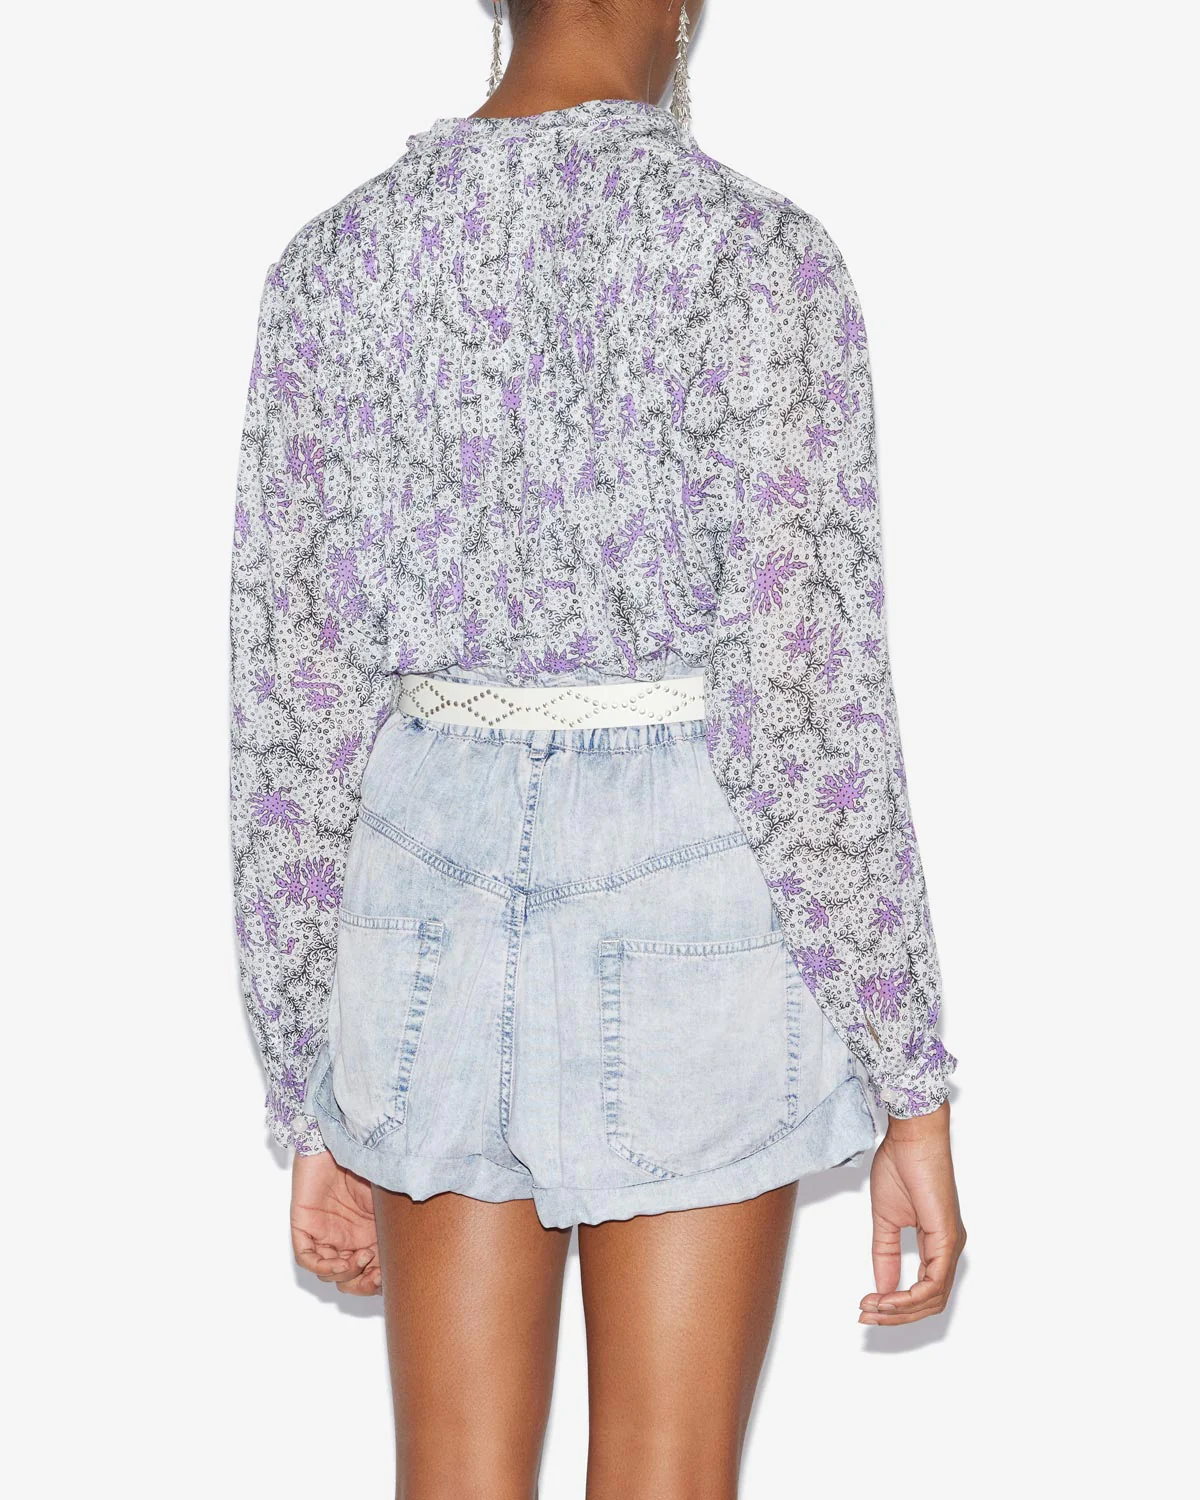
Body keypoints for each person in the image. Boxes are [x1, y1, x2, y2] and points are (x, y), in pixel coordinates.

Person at [227, 1, 966, 1493]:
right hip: (688, 896)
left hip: (419, 908)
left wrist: (311, 1072)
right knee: (667, 1475)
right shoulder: (759, 259)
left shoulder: (336, 264)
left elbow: (291, 709)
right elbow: (806, 701)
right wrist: (912, 1078)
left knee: (452, 1476)